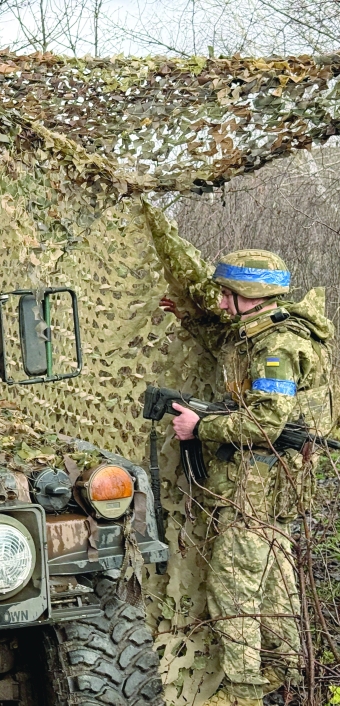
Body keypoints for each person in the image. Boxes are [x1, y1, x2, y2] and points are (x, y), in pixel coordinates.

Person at [143, 201, 334, 706]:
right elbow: (224, 342)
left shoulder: (276, 347)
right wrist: (186, 315)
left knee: (234, 586)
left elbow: (268, 422)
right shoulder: (260, 335)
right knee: (273, 579)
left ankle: (246, 691)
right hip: (267, 483)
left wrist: (200, 426)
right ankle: (289, 673)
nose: (223, 304)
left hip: (259, 483)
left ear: (251, 295)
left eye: (229, 295)